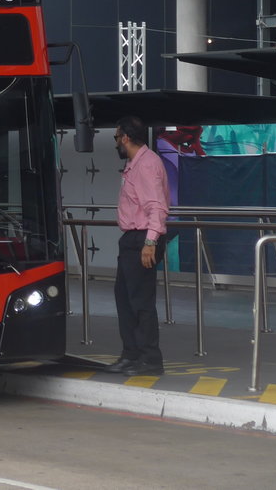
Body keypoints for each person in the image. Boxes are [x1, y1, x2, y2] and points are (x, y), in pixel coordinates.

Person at [104, 116, 171, 376]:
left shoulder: (146, 165)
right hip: (133, 238)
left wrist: (150, 242)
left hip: (143, 238)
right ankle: (131, 354)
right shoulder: (136, 163)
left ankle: (150, 360)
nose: (116, 143)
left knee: (141, 302)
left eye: (116, 137)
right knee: (125, 298)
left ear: (126, 138)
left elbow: (157, 207)